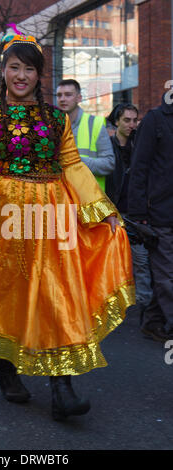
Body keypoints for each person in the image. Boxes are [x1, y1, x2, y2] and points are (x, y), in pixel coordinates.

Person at [0, 32, 135, 420]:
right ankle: (7, 368)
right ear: (3, 72)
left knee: (59, 297)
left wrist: (100, 209)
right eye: (14, 67)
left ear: (38, 75)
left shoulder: (56, 118)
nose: (21, 75)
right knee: (7, 293)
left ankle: (62, 387)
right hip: (3, 217)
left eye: (29, 68)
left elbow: (72, 166)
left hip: (54, 217)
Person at [128, 92, 173, 342]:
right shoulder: (156, 119)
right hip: (160, 212)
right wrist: (138, 213)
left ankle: (153, 321)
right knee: (167, 275)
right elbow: (139, 167)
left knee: (166, 275)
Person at [105, 104, 152, 318]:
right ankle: (110, 303)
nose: (132, 125)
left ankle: (144, 303)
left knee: (141, 260)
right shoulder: (108, 147)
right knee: (112, 260)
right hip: (112, 212)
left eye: (135, 120)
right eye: (127, 120)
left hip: (134, 213)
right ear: (117, 122)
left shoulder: (139, 147)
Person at [56, 79, 115, 191]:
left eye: (68, 95)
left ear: (79, 98)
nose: (63, 99)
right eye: (59, 95)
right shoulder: (50, 126)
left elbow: (109, 164)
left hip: (89, 200)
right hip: (60, 200)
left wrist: (76, 161)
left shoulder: (95, 124)